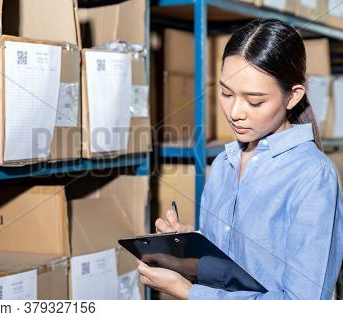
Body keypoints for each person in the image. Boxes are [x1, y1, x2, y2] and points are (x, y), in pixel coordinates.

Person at [138, 18, 343, 300]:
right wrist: (187, 256)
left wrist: (189, 293)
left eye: (254, 101)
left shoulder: (312, 175)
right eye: (225, 93)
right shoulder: (224, 164)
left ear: (293, 96)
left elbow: (303, 305)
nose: (235, 112)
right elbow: (240, 269)